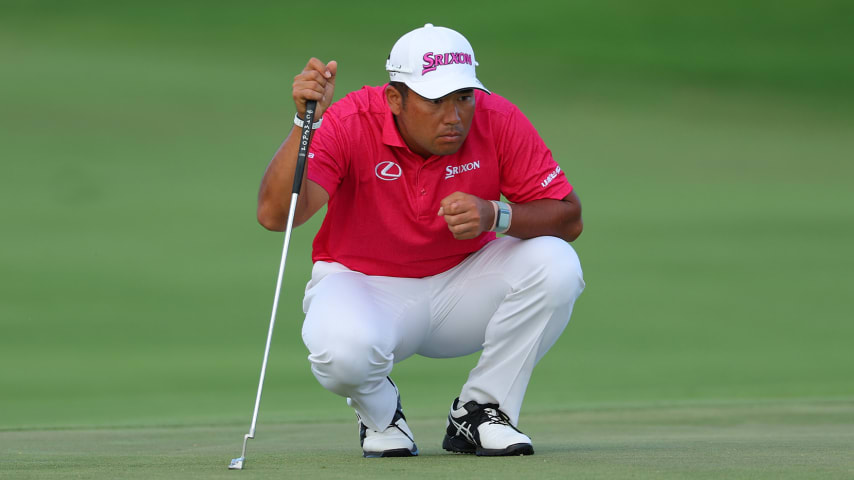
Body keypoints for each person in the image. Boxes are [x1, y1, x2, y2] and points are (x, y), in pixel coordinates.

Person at [257, 23, 585, 458]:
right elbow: (276, 216)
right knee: (341, 354)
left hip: (466, 288)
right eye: (435, 101)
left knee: (557, 263)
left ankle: (481, 411)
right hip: (365, 286)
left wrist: (496, 214)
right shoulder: (350, 121)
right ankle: (381, 415)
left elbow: (569, 217)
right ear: (396, 98)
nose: (454, 116)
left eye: (463, 97)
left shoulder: (497, 117)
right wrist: (306, 121)